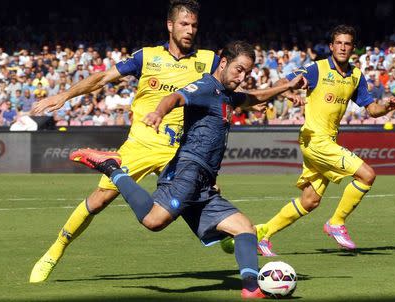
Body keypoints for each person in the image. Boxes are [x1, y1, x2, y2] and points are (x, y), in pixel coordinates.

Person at [69, 40, 306, 299]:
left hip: (205, 181)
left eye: (247, 73)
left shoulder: (227, 94)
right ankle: (112, 167)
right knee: (153, 220)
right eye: (239, 70)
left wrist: (285, 87)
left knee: (245, 229)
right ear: (224, 63)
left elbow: (254, 97)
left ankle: (250, 288)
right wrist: (159, 112)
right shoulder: (206, 87)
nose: (242, 77)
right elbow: (174, 97)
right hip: (188, 170)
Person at [29, 0, 220, 283]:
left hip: (181, 149)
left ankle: (235, 239)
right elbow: (103, 78)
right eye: (183, 24)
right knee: (100, 199)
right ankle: (55, 251)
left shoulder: (209, 60)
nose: (189, 30)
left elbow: (229, 90)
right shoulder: (147, 57)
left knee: (209, 194)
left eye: (193, 25)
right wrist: (64, 96)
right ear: (170, 25)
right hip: (141, 145)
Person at [257, 25, 395, 256]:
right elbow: (279, 84)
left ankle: (261, 234)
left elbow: (372, 109)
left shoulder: (355, 76)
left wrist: (386, 107)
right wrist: (290, 93)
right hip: (315, 139)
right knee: (367, 175)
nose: (343, 47)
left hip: (326, 141)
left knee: (309, 201)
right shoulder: (316, 69)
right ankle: (337, 222)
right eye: (339, 43)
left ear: (353, 47)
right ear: (331, 46)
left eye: (347, 43)